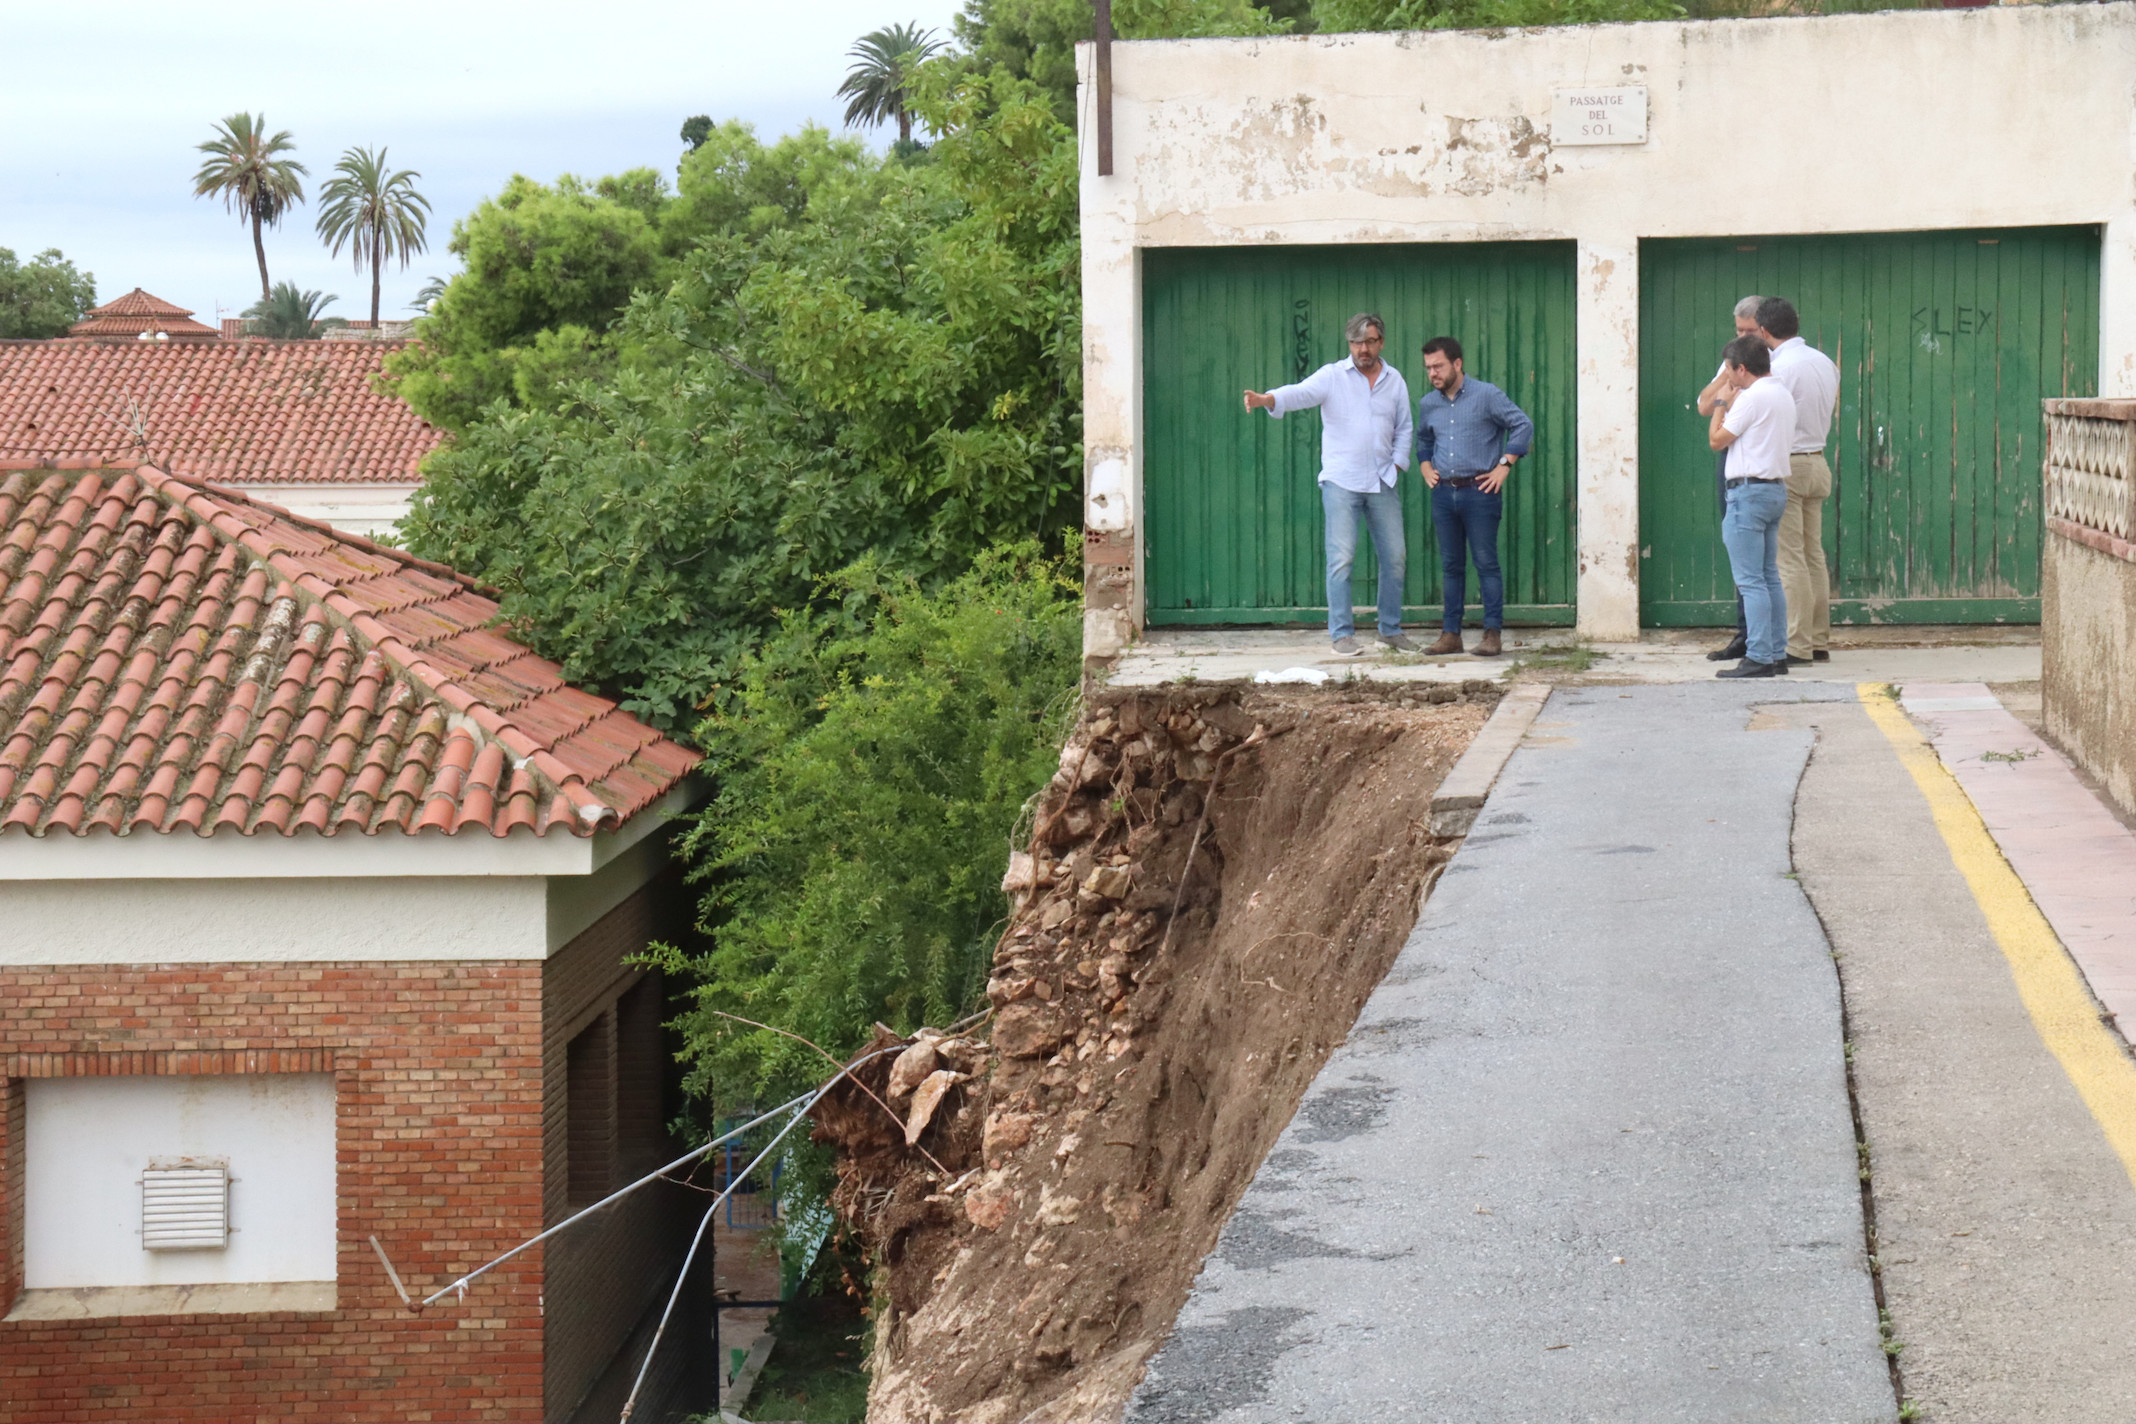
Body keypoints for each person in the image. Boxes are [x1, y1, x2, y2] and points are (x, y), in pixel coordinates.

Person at [1244, 313, 1416, 655]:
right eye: (1356, 342)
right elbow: (1300, 393)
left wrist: (1397, 462)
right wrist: (1267, 399)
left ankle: (1390, 630)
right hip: (1341, 482)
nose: (1362, 349)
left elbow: (1405, 426)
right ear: (1348, 344)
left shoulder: (1395, 380)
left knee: (1395, 557)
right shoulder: (1333, 376)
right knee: (1341, 559)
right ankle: (1341, 635)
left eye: (1369, 342)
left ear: (1381, 342)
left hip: (1382, 481)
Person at [1413, 336, 1533, 658]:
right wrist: (1425, 466)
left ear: (1457, 363)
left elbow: (1522, 425)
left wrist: (1505, 465)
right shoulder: (1428, 404)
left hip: (1480, 493)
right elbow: (1424, 439)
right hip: (1443, 493)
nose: (1433, 374)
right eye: (1428, 368)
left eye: (1438, 366)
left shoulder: (1487, 395)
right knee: (1451, 566)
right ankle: (1451, 635)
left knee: (1485, 563)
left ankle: (1492, 635)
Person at [1755, 296, 1841, 666]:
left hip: (1788, 464)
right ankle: (1818, 639)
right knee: (1812, 555)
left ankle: (1796, 644)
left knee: (1789, 560)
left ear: (1763, 331)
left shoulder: (1778, 367)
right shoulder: (1824, 362)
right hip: (1817, 460)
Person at [1708, 335, 1797, 678]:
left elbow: (1717, 440)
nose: (1729, 378)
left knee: (1750, 581)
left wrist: (1721, 403)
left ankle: (1758, 655)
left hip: (1748, 493)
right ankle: (1776, 652)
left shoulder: (1751, 397)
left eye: (1730, 371)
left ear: (1742, 369)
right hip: (1774, 489)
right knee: (1769, 576)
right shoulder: (1782, 393)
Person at [1695, 296, 1764, 661]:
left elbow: (1722, 414)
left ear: (1764, 329)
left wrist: (1726, 400)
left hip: (1758, 462)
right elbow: (1704, 405)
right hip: (1732, 462)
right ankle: (1745, 632)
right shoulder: (1732, 365)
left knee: (1764, 561)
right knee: (1740, 551)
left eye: (1749, 331)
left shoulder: (1770, 369)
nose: (1743, 337)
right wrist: (1726, 373)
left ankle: (1763, 638)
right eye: (1738, 331)